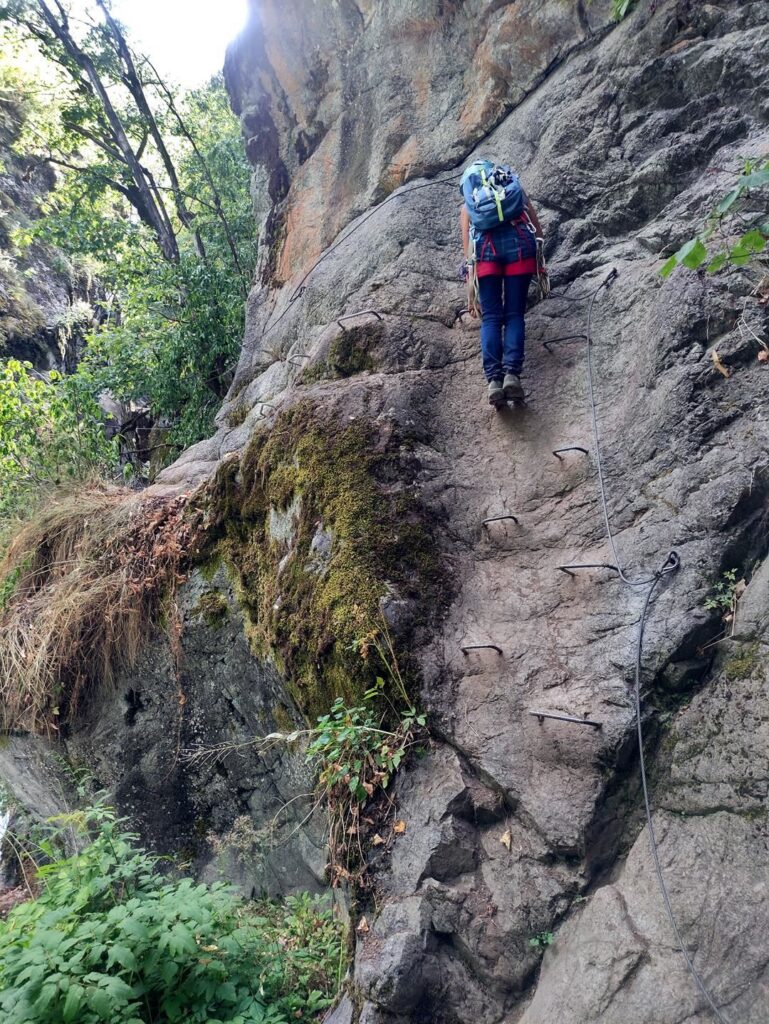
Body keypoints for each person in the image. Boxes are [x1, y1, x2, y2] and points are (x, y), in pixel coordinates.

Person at [459, 160, 545, 407]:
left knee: (492, 317)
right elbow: (534, 224)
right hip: (519, 245)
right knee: (515, 313)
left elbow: (467, 247)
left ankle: (494, 381)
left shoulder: (470, 202)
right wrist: (539, 255)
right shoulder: (509, 186)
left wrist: (470, 274)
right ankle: (512, 375)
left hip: (485, 252)